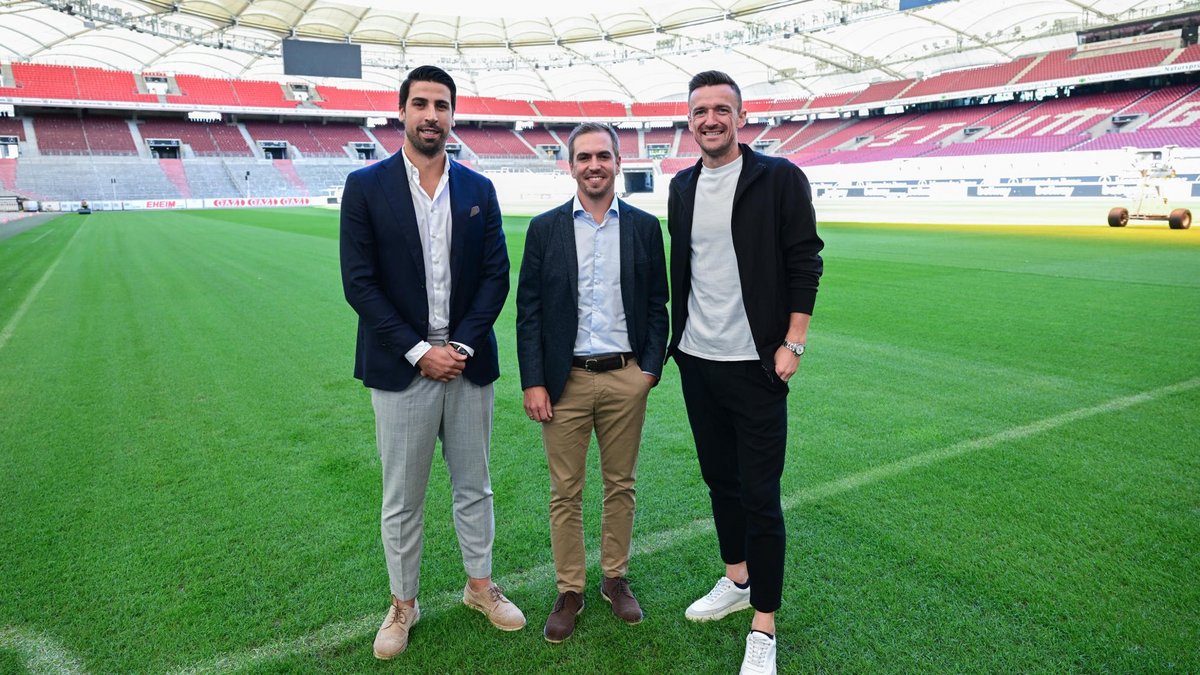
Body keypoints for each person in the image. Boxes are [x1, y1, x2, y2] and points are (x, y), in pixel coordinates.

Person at [339, 64, 525, 660]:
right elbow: (359, 285)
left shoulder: (479, 189)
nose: (431, 115)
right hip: (402, 369)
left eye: (441, 105)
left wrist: (461, 347)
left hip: (468, 365)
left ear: (452, 115)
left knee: (475, 487)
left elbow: (496, 276)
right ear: (402, 112)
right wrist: (421, 352)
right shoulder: (365, 186)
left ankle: (480, 587)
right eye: (420, 104)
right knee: (403, 497)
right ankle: (403, 603)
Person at [667, 71, 824, 675]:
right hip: (698, 363)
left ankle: (764, 623)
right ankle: (736, 580)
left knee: (760, 494)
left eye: (721, 110)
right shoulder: (681, 187)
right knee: (720, 482)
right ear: (689, 120)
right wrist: (678, 347)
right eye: (700, 110)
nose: (710, 119)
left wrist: (794, 344)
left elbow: (804, 258)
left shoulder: (778, 178)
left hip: (759, 366)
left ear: (740, 116)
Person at [516, 122, 669, 643]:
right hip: (566, 382)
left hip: (626, 376)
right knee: (566, 491)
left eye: (603, 155)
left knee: (620, 484)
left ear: (618, 162)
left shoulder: (646, 227)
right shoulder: (545, 229)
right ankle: (570, 588)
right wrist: (534, 381)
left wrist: (648, 370)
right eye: (584, 157)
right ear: (571, 165)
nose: (594, 165)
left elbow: (657, 304)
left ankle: (615, 578)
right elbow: (529, 313)